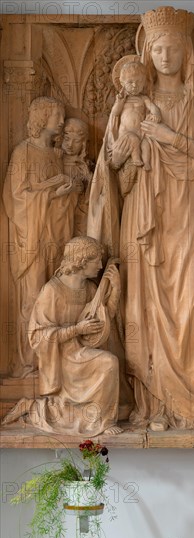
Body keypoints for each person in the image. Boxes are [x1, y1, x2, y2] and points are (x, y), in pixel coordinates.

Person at [88, 7, 194, 431]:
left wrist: (171, 138)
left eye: (171, 49)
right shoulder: (130, 106)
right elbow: (112, 170)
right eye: (156, 48)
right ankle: (155, 405)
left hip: (193, 212)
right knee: (148, 306)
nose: (163, 56)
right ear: (146, 54)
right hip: (146, 213)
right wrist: (126, 148)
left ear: (186, 55)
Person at [2, 237, 122, 436]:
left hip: (82, 352)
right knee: (109, 363)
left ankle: (101, 420)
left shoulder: (90, 289)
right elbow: (37, 336)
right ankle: (35, 409)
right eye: (96, 261)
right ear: (82, 260)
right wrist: (77, 330)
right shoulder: (52, 290)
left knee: (109, 363)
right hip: (60, 358)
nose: (100, 266)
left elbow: (104, 317)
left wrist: (115, 289)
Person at [2, 96, 80, 377]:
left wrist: (68, 191)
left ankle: (54, 360)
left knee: (57, 297)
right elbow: (16, 198)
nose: (61, 121)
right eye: (56, 115)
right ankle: (28, 362)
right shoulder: (23, 153)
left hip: (56, 236)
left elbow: (64, 199)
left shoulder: (56, 155)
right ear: (40, 118)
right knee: (34, 298)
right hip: (31, 239)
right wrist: (51, 193)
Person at [107, 58, 161, 171]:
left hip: (140, 133)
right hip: (126, 135)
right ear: (122, 83)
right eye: (130, 82)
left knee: (146, 144)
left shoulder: (144, 98)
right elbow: (115, 113)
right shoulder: (122, 100)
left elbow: (152, 107)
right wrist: (119, 102)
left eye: (139, 82)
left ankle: (146, 163)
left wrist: (156, 114)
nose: (134, 85)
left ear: (144, 83)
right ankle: (136, 158)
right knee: (133, 140)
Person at [62, 117, 94, 236]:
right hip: (62, 212)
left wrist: (89, 178)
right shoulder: (55, 161)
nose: (70, 145)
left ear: (83, 144)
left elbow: (93, 194)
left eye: (76, 141)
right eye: (67, 139)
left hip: (81, 211)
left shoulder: (86, 164)